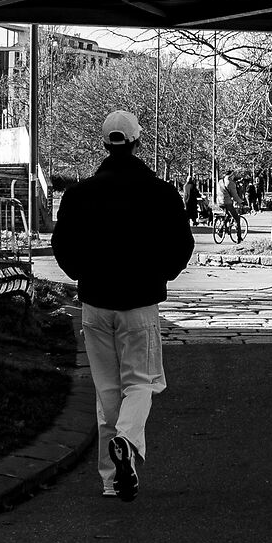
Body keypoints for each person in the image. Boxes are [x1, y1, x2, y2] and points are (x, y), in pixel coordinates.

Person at [48, 110, 193, 502]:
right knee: (142, 382)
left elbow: (61, 245)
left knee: (107, 389)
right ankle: (127, 442)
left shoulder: (80, 195)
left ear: (104, 144)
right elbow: (182, 245)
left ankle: (111, 480)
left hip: (95, 302)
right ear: (136, 142)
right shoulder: (160, 193)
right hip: (140, 303)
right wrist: (160, 275)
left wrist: (82, 274)